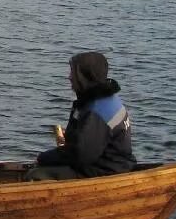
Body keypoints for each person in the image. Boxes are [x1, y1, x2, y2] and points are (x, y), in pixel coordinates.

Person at [27, 51, 136, 180]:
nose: (69, 77)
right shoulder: (104, 99)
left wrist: (44, 158)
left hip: (106, 171)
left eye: (73, 72)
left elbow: (82, 155)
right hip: (110, 164)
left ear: (85, 76)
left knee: (35, 175)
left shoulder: (97, 111)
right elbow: (91, 140)